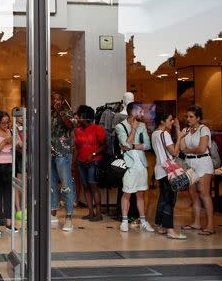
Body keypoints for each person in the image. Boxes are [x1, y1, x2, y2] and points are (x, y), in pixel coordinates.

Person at [115, 102, 154, 233]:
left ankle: (143, 220)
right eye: (139, 111)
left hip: (141, 164)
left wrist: (131, 146)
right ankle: (124, 221)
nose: (142, 113)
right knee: (127, 193)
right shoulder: (120, 126)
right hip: (129, 165)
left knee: (141, 194)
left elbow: (147, 145)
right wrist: (133, 129)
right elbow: (124, 143)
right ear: (132, 112)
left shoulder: (143, 125)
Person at [180, 105, 215, 236]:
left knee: (204, 192)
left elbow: (202, 148)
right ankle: (196, 222)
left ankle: (210, 225)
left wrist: (188, 150)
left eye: (191, 116)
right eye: (187, 116)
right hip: (190, 163)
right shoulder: (186, 130)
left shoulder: (204, 129)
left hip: (203, 162)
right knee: (193, 193)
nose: (188, 119)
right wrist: (181, 134)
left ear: (198, 118)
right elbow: (182, 147)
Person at [151, 112, 187, 239]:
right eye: (170, 120)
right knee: (170, 200)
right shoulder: (164, 134)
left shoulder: (155, 134)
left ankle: (160, 224)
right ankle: (170, 230)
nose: (172, 122)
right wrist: (180, 137)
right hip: (168, 170)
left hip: (160, 169)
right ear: (162, 121)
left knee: (163, 198)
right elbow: (175, 152)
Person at [73, 105, 106, 222]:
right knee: (86, 187)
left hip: (94, 162)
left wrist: (92, 154)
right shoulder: (77, 131)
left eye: (79, 116)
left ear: (85, 117)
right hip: (81, 162)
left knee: (93, 186)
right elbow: (77, 147)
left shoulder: (98, 129)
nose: (76, 118)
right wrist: (74, 162)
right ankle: (90, 212)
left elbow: (103, 145)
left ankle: (98, 213)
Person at [50, 93, 77, 231]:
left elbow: (70, 126)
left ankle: (69, 217)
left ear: (62, 101)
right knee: (52, 183)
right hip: (50, 154)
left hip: (63, 153)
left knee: (66, 184)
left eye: (58, 99)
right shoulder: (49, 114)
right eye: (53, 99)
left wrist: (61, 112)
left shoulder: (67, 113)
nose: (56, 101)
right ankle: (53, 212)